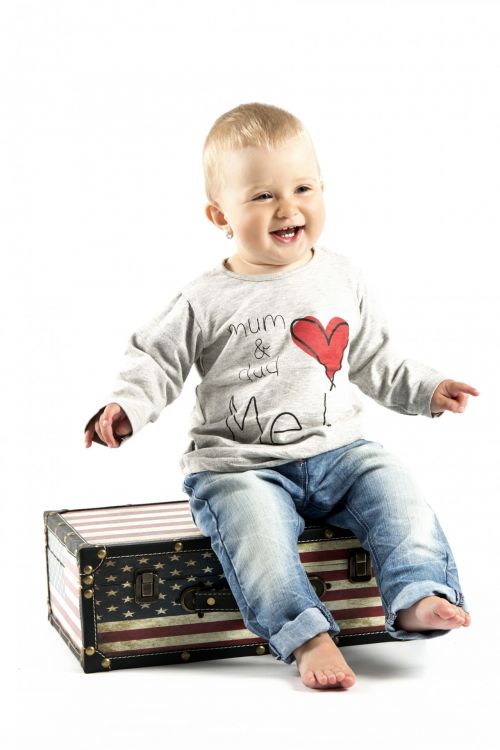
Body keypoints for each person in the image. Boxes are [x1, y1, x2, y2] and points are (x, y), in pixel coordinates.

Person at [84, 102, 478, 690]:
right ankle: (305, 634)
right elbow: (155, 357)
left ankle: (416, 591)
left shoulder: (342, 276)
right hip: (240, 466)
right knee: (258, 536)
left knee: (395, 485)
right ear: (220, 214)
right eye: (263, 195)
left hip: (339, 451)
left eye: (302, 187)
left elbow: (373, 358)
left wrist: (428, 388)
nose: (288, 207)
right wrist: (126, 407)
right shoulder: (205, 297)